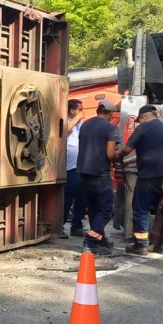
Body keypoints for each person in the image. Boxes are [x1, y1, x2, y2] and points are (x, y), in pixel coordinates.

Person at [116, 105, 163, 256]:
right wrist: (128, 162)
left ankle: (141, 244)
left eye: (139, 120)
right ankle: (162, 245)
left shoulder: (143, 128)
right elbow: (152, 152)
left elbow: (126, 149)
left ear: (143, 117)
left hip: (149, 176)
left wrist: (119, 157)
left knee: (141, 207)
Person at [76, 99, 120, 256]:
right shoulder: (110, 128)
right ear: (110, 112)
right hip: (100, 172)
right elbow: (110, 154)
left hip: (83, 172)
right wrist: (118, 156)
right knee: (106, 209)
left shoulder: (86, 125)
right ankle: (91, 242)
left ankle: (99, 239)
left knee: (94, 208)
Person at [59, 99, 87, 239]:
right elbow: (64, 131)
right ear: (72, 110)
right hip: (69, 168)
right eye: (79, 109)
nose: (82, 111)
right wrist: (77, 117)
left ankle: (76, 226)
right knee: (67, 199)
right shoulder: (65, 121)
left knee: (82, 198)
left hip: (80, 167)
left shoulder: (79, 124)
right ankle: (60, 227)